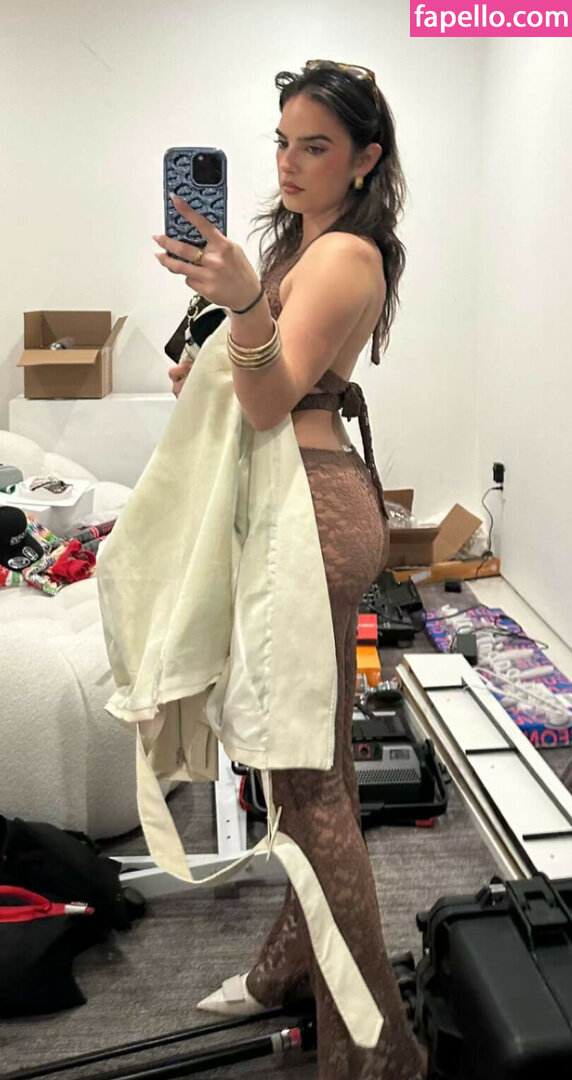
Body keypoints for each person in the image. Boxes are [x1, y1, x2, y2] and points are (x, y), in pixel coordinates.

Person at [154, 59, 425, 1080]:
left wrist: (241, 307)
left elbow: (272, 402)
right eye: (281, 141)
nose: (289, 162)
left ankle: (378, 1053)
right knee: (314, 772)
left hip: (310, 512)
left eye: (316, 146)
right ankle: (285, 972)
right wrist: (212, 356)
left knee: (304, 785)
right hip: (297, 503)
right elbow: (255, 384)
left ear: (364, 160)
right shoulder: (300, 250)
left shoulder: (345, 255)